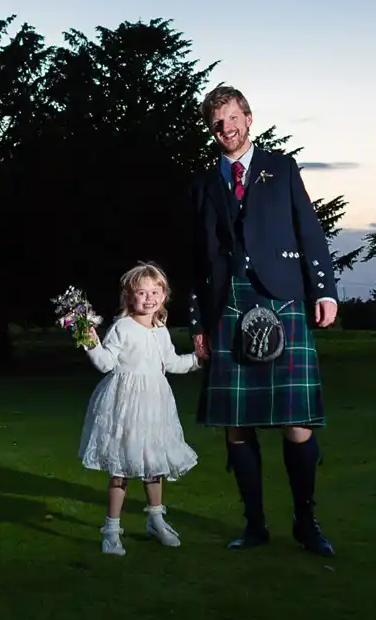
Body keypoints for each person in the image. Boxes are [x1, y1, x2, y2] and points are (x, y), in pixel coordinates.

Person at [187, 85, 339, 556]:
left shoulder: (283, 168)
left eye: (232, 118)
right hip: (227, 302)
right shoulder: (203, 183)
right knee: (236, 423)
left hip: (283, 297)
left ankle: (306, 522)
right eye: (216, 123)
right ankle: (254, 524)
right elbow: (197, 256)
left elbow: (308, 230)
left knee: (297, 421)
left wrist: (325, 291)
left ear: (248, 119)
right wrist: (197, 322)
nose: (225, 129)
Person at [77, 262, 203, 556]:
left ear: (164, 295)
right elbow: (106, 363)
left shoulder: (160, 330)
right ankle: (111, 530)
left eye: (155, 292)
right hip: (124, 405)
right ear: (128, 296)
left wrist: (198, 360)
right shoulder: (122, 327)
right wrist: (90, 341)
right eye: (141, 292)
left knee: (152, 464)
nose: (149, 298)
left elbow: (170, 363)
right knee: (121, 468)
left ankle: (156, 521)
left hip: (155, 405)